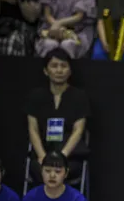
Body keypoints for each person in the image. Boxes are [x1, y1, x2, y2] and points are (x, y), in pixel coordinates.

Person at [26, 48, 90, 180]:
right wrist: (42, 157)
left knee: (63, 171)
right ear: (46, 71)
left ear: (70, 71)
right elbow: (33, 129)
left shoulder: (79, 96)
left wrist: (62, 157)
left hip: (70, 156)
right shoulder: (36, 96)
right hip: (43, 155)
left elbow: (78, 130)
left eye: (63, 66)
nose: (59, 70)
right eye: (54, 66)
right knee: (38, 170)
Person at [17, 151, 89, 201]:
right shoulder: (30, 199)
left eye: (58, 171)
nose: (52, 175)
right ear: (41, 171)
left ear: (66, 173)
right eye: (47, 171)